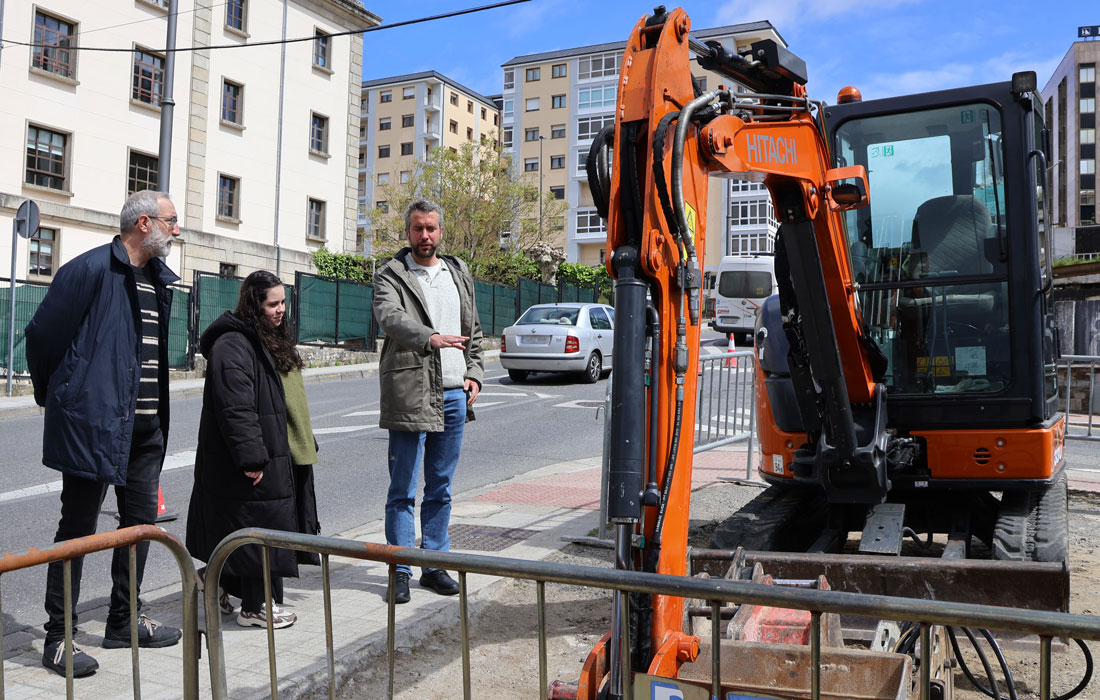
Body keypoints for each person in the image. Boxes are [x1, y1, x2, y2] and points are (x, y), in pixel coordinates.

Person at [25, 190, 183, 677]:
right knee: (77, 530)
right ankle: (58, 638)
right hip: (93, 426)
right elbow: (41, 337)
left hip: (146, 430)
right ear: (143, 223)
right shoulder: (90, 269)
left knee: (138, 528)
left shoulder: (158, 279)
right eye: (171, 221)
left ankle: (123, 619)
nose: (176, 230)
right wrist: (60, 395)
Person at [186, 270, 320, 630]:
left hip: (277, 451)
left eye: (283, 302)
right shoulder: (233, 345)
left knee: (261, 528)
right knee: (255, 530)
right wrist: (251, 457)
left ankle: (214, 581)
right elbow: (236, 407)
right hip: (252, 458)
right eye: (273, 304)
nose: (281, 310)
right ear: (253, 304)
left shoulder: (268, 337)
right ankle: (255, 607)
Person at [373, 198, 484, 604]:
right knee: (402, 489)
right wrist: (430, 337)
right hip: (410, 393)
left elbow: (473, 329)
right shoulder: (391, 274)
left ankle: (434, 565)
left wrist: (475, 373)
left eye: (431, 228)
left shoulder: (458, 272)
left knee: (440, 487)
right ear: (408, 232)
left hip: (455, 395)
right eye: (418, 228)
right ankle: (400, 569)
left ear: (440, 231)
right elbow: (390, 317)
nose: (425, 235)